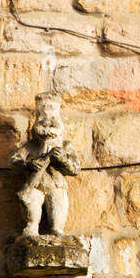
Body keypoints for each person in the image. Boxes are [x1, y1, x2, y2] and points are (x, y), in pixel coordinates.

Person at [11, 91, 81, 236]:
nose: (48, 127)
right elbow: (14, 160)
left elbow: (75, 169)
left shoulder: (65, 146)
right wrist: (28, 165)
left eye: (53, 122)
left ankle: (57, 227)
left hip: (56, 184)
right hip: (36, 184)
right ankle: (32, 226)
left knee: (58, 200)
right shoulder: (31, 146)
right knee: (32, 203)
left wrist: (63, 159)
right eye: (44, 121)